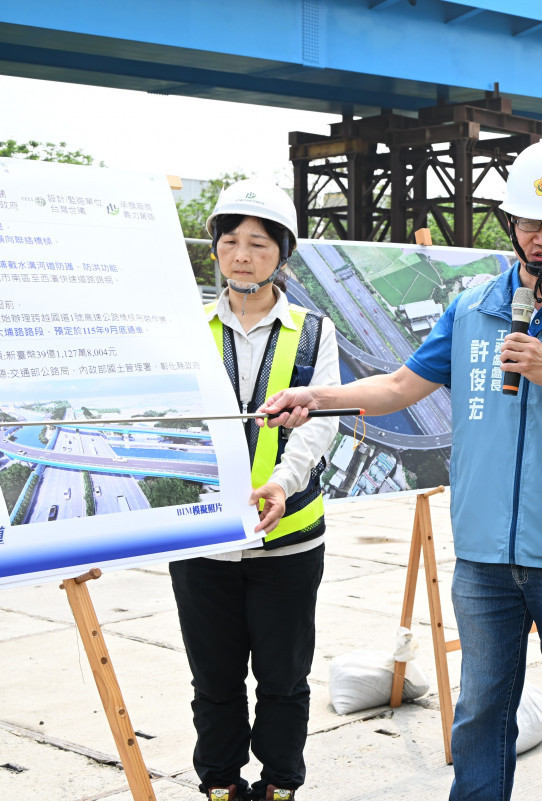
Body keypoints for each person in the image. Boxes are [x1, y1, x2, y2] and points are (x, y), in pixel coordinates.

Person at [259, 141, 542, 801]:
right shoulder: (472, 309)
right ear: (512, 228)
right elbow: (399, 387)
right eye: (530, 223)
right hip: (483, 552)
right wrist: (315, 397)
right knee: (478, 710)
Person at [170, 179, 340, 801]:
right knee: (212, 679)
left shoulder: (314, 333)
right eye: (231, 241)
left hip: (289, 541)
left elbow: (319, 427)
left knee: (283, 679)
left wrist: (282, 484)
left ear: (283, 256)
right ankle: (219, 785)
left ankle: (280, 785)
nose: (243, 255)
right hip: (203, 543)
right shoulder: (184, 331)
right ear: (215, 249)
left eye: (260, 244)